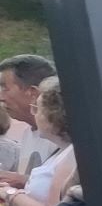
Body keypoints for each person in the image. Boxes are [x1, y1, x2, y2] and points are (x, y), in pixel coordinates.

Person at [0, 53, 60, 188]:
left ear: (32, 92)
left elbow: (67, 188)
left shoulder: (61, 135)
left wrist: (22, 181)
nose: (1, 97)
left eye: (5, 88)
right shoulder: (28, 133)